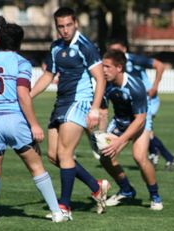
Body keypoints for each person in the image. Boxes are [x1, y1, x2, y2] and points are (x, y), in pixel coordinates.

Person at [30, 7, 109, 219]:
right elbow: (48, 76)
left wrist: (94, 108)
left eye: (68, 25)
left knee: (65, 154)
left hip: (79, 102)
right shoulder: (56, 47)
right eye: (61, 27)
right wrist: (28, 96)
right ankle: (96, 186)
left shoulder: (86, 47)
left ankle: (64, 207)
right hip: (61, 103)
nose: (65, 30)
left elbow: (100, 78)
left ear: (76, 24)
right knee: (54, 156)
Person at [0, 23, 67, 223]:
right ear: (20, 43)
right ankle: (57, 212)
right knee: (36, 167)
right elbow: (23, 94)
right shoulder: (21, 63)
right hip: (14, 120)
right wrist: (34, 124)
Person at [98, 49, 163, 210]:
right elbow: (104, 110)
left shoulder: (135, 86)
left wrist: (120, 141)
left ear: (119, 68)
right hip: (120, 121)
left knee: (139, 157)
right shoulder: (105, 84)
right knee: (105, 157)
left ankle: (155, 196)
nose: (103, 70)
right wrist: (100, 133)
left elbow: (140, 120)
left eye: (107, 67)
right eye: (102, 66)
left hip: (140, 120)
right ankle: (126, 190)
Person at [107, 40, 174, 170]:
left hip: (146, 99)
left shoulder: (134, 60)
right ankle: (158, 154)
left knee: (145, 130)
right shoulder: (111, 68)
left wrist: (154, 87)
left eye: (116, 51)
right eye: (112, 51)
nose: (114, 54)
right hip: (132, 102)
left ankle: (168, 157)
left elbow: (159, 65)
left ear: (124, 49)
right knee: (145, 131)